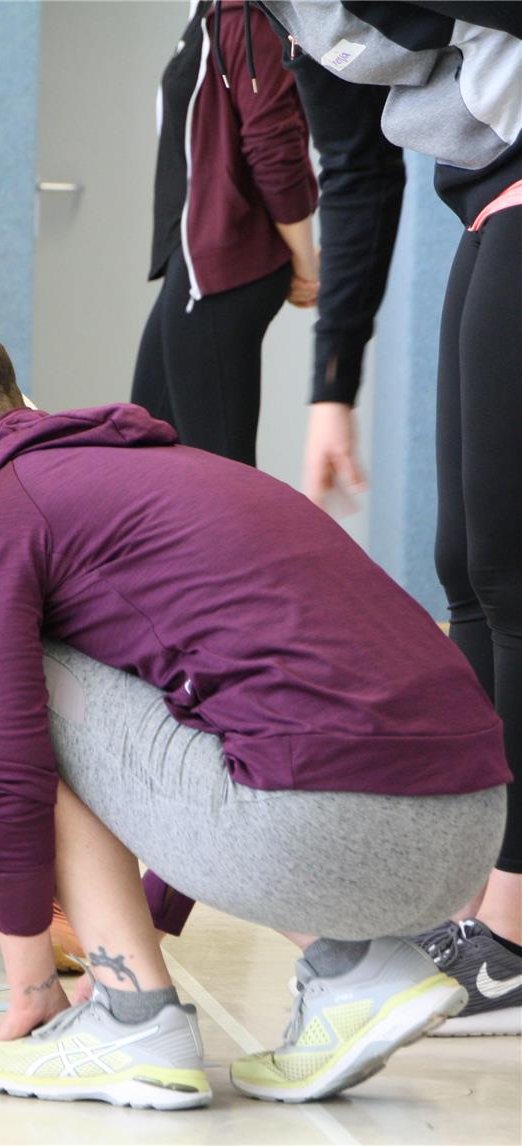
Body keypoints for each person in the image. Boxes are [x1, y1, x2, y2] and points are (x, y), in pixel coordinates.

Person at [0, 293, 508, 1108]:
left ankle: (132, 1022)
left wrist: (32, 988)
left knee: (17, 688)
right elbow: (230, 715)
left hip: (327, 829)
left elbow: (0, 762)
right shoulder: (164, 469)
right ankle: (355, 970)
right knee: (174, 700)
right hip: (472, 827)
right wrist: (148, 914)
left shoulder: (0, 520)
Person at [263, 0, 522, 1038]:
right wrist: (333, 386)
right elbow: (356, 173)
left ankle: (512, 922)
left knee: (509, 569)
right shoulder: (280, 15)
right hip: (484, 193)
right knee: (460, 566)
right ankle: (476, 889)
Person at [130, 0, 319, 466]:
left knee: (222, 476)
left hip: (219, 271)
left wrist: (305, 262)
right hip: (194, 264)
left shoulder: (243, 15)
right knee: (140, 455)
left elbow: (275, 146)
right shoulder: (211, 12)